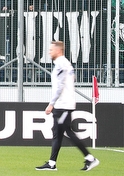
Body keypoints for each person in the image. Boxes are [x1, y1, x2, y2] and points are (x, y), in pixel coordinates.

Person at [37, 41, 99, 171]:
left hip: (63, 105)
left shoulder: (61, 63)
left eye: (51, 50)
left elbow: (60, 86)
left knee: (68, 132)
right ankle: (52, 163)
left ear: (58, 50)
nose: (49, 52)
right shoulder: (65, 64)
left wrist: (51, 104)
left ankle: (90, 158)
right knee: (58, 133)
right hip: (63, 104)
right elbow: (72, 78)